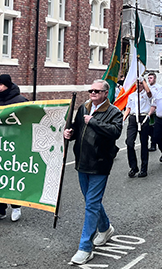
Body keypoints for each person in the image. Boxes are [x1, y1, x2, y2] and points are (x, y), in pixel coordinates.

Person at [64, 80, 123, 265]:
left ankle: (85, 247)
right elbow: (77, 127)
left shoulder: (114, 112)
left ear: (106, 93)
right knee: (91, 200)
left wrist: (95, 122)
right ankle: (105, 228)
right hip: (82, 161)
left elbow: (115, 132)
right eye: (91, 90)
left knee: (91, 204)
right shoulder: (84, 107)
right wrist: (70, 133)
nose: (93, 93)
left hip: (100, 163)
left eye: (97, 91)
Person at [0, 74, 27, 223]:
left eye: (0, 85)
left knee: (12, 177)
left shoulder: (20, 101)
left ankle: (16, 207)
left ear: (7, 85)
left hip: (13, 146)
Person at [123, 79, 155, 178]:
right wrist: (123, 119)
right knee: (129, 142)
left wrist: (142, 79)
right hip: (133, 119)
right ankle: (133, 167)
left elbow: (149, 92)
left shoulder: (147, 94)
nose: (139, 85)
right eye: (138, 83)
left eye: (141, 83)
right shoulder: (131, 95)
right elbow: (128, 108)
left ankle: (144, 168)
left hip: (143, 118)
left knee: (144, 143)